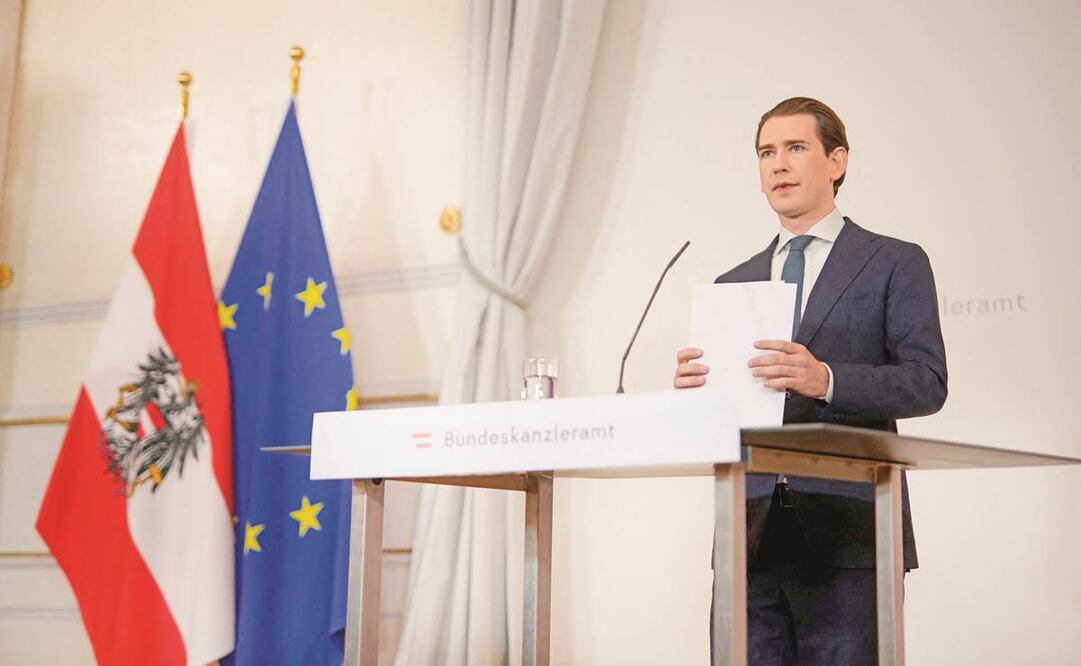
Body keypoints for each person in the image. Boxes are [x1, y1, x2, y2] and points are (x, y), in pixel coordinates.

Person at [674, 97, 947, 664]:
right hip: (747, 536)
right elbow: (730, 417)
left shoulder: (895, 261)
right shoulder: (733, 283)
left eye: (796, 148)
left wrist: (826, 379)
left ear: (837, 161)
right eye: (766, 152)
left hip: (850, 531)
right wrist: (700, 393)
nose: (778, 164)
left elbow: (926, 382)